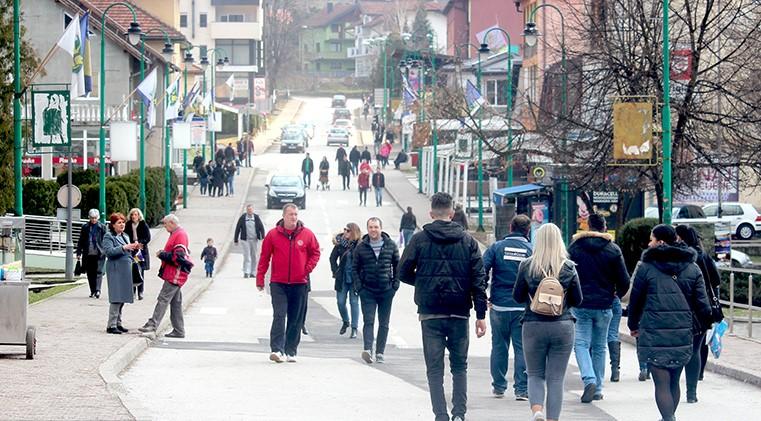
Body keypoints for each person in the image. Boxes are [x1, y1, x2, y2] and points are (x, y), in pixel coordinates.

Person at [398, 192, 487, 421]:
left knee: (434, 369)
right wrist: (480, 314)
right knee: (459, 366)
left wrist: (424, 281)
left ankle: (440, 415)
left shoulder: (419, 239)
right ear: (452, 213)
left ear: (430, 213)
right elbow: (479, 279)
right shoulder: (468, 241)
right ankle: (459, 414)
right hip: (459, 312)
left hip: (430, 313)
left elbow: (402, 271)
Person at [627, 224, 712, 421]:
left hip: (654, 330)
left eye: (652, 239)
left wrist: (633, 325)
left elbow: (635, 300)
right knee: (674, 380)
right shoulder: (692, 267)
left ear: (661, 242)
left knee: (661, 383)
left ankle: (668, 418)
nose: (649, 243)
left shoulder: (646, 268)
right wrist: (704, 324)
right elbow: (702, 303)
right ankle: (669, 417)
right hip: (683, 332)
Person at [513, 223, 583, 421]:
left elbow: (517, 297)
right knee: (556, 378)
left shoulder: (527, 265)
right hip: (563, 325)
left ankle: (537, 411)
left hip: (533, 325)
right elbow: (578, 300)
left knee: (534, 374)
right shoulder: (569, 267)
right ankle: (553, 419)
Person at [567, 213, 630, 402]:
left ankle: (588, 379)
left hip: (581, 304)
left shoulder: (575, 248)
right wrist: (615, 294)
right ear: (604, 228)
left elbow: (567, 275)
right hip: (604, 305)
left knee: (581, 344)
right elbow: (624, 281)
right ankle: (598, 388)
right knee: (600, 346)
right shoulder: (613, 249)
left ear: (587, 227)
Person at [256, 204, 321, 363]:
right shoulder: (273, 235)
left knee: (295, 318)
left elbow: (316, 252)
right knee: (279, 315)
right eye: (291, 214)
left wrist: (307, 269)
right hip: (278, 283)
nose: (294, 217)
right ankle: (277, 349)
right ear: (284, 216)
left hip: (299, 283)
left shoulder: (306, 234)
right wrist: (260, 278)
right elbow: (264, 257)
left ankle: (291, 350)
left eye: (296, 214)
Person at [482, 215, 532, 400]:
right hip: (522, 308)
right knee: (522, 348)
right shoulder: (531, 250)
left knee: (499, 346)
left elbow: (481, 270)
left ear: (510, 227)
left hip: (499, 306)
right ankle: (521, 389)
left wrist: (484, 296)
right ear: (528, 230)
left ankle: (499, 386)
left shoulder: (496, 247)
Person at [675, 224, 722, 404]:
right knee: (696, 349)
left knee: (681, 350)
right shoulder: (703, 256)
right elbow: (716, 280)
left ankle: (673, 386)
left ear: (680, 238)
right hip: (701, 308)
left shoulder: (676, 257)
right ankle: (692, 391)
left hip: (680, 307)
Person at [352, 217, 400, 364]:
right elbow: (355, 268)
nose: (373, 230)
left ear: (381, 228)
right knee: (369, 321)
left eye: (376, 227)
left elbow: (398, 265)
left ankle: (380, 352)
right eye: (371, 227)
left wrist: (395, 285)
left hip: (386, 290)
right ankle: (368, 349)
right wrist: (359, 287)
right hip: (367, 291)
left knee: (384, 323)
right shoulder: (361, 247)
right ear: (367, 229)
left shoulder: (390, 245)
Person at [138, 214, 192, 339]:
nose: (165, 226)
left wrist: (162, 254)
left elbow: (178, 257)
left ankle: (152, 325)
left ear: (172, 223)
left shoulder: (179, 235)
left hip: (175, 274)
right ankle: (179, 330)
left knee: (163, 299)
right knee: (175, 302)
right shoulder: (178, 233)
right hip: (175, 273)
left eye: (166, 224)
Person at [103, 213, 141, 334]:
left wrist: (135, 248)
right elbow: (109, 252)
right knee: (116, 297)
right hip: (115, 269)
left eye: (123, 222)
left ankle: (118, 323)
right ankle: (111, 325)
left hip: (125, 270)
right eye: (119, 223)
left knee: (123, 297)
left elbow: (128, 251)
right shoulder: (108, 236)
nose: (122, 225)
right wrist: (124, 247)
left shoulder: (125, 236)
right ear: (113, 225)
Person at [330, 223, 362, 339]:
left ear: (353, 232)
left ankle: (354, 328)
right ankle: (345, 321)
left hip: (354, 279)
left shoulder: (360, 245)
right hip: (342, 278)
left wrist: (362, 275)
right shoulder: (340, 245)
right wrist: (335, 271)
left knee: (354, 302)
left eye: (348, 230)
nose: (345, 232)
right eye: (344, 230)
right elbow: (332, 258)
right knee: (340, 302)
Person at [76, 209, 106, 298]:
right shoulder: (85, 227)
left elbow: (106, 240)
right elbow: (81, 241)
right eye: (92, 218)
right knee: (90, 273)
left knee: (98, 271)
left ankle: (98, 290)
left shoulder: (102, 227)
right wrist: (78, 252)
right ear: (89, 217)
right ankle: (92, 291)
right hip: (88, 253)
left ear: (98, 218)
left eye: (95, 218)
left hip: (99, 253)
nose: (94, 220)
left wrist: (105, 250)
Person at [125, 208, 151, 301]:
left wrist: (140, 243)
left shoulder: (143, 225)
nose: (133, 217)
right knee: (132, 270)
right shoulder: (128, 225)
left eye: (135, 215)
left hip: (140, 251)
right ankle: (132, 291)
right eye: (132, 215)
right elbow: (125, 235)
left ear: (139, 216)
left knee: (140, 270)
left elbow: (147, 237)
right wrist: (131, 244)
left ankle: (140, 291)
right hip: (131, 250)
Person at [234, 204, 266, 278]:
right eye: (248, 210)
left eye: (251, 210)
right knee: (247, 256)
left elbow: (261, 227)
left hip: (254, 239)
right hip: (245, 240)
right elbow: (238, 228)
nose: (250, 211)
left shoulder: (256, 217)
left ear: (253, 210)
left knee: (254, 256)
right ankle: (246, 272)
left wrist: (263, 237)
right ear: (246, 210)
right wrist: (236, 239)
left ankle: (253, 272)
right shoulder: (242, 218)